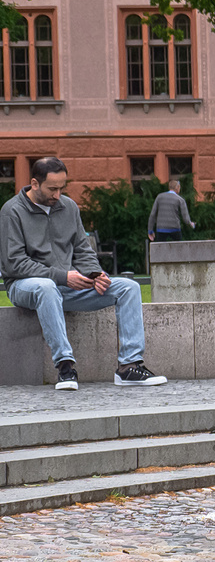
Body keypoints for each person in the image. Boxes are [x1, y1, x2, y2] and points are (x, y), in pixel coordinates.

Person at [1, 157, 167, 389]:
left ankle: (129, 366)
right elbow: (14, 264)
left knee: (129, 287)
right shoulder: (12, 211)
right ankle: (65, 368)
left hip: (67, 285)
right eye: (52, 189)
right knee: (46, 287)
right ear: (34, 184)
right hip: (25, 287)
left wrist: (94, 273)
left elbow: (82, 247)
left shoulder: (68, 207)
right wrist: (62, 276)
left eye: (62, 188)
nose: (58, 195)